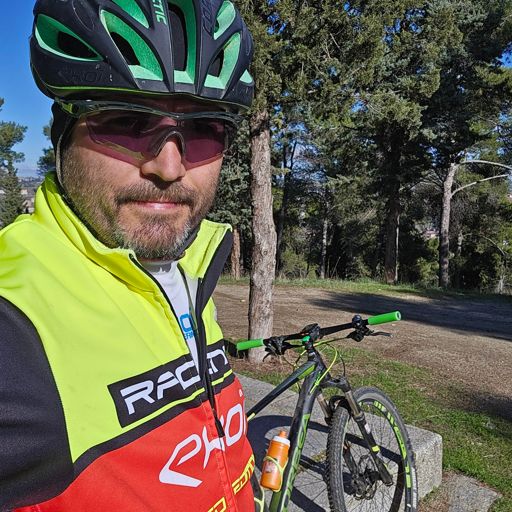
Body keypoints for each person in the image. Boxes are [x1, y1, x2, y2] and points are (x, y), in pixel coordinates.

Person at [0, 1, 265, 511]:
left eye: (204, 130)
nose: (169, 166)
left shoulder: (190, 266)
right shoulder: (15, 321)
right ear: (62, 133)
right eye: (126, 121)